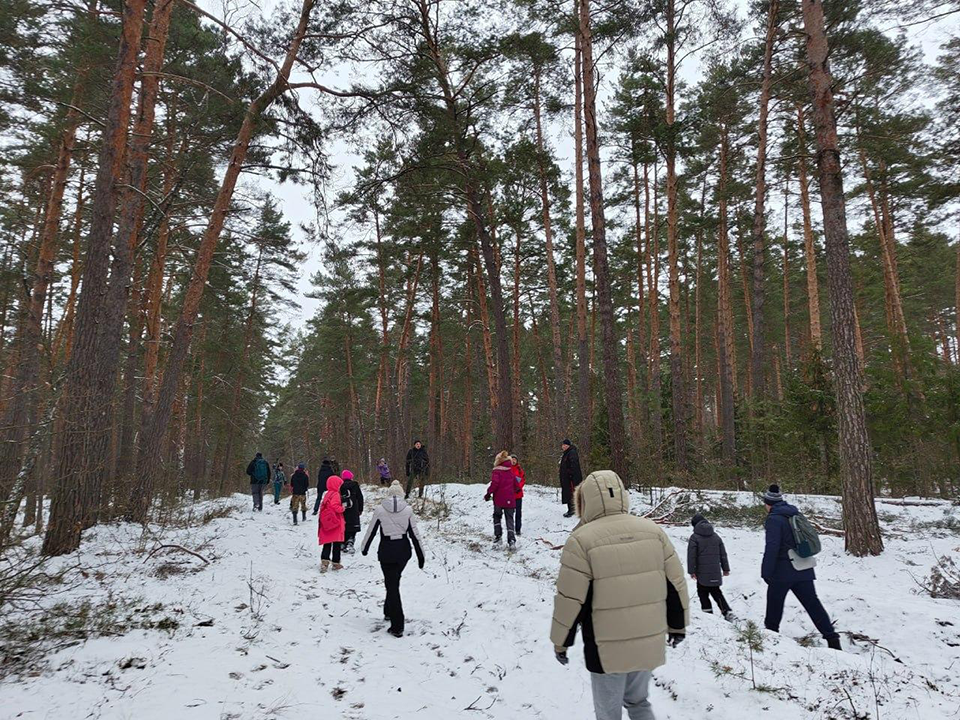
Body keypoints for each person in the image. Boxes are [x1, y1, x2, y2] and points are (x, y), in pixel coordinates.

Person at [551, 470, 689, 720]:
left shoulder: (581, 540)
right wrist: (678, 627)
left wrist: (562, 641)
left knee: (608, 712)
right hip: (648, 639)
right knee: (638, 702)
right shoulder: (653, 531)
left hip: (606, 648)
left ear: (585, 501)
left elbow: (571, 599)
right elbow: (675, 584)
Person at [761, 484, 841, 650]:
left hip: (782, 572)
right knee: (813, 604)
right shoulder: (795, 513)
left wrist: (766, 572)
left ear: (768, 504)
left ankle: (770, 637)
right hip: (803, 568)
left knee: (774, 604)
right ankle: (832, 639)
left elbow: (772, 547)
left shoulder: (774, 520)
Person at [361, 480, 425, 638]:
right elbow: (415, 534)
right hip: (403, 551)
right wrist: (420, 555)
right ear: (402, 494)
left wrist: (364, 548)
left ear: (388, 494)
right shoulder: (408, 510)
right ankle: (388, 611)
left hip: (387, 552)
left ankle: (397, 626)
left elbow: (371, 531)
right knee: (393, 581)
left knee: (392, 585)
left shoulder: (380, 510)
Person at [687, 513, 732, 618]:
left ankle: (708, 615)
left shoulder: (694, 537)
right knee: (716, 591)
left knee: (702, 593)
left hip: (702, 572)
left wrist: (691, 571)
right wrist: (726, 569)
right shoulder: (716, 536)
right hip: (715, 571)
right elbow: (723, 554)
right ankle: (726, 611)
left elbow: (691, 556)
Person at [484, 450, 519, 548]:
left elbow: (494, 484)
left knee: (497, 516)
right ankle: (511, 540)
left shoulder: (496, 471)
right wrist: (514, 491)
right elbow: (516, 485)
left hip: (499, 499)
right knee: (510, 519)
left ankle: (498, 536)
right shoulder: (510, 470)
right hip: (510, 499)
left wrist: (488, 493)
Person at [318, 475, 345, 572]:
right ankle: (335, 562)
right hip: (335, 522)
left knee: (327, 543)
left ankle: (324, 562)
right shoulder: (336, 495)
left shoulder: (327, 494)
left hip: (326, 523)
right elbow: (334, 506)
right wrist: (342, 508)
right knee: (337, 543)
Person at [340, 469, 364, 554]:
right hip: (354, 509)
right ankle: (350, 541)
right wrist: (360, 509)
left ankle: (342, 543)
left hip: (343, 509)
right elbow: (360, 498)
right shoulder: (355, 485)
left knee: (344, 526)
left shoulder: (340, 485)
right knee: (353, 526)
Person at [559, 439, 583, 518]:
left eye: (565, 445)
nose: (564, 446)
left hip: (571, 479)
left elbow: (574, 465)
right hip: (567, 479)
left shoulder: (572, 452)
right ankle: (572, 509)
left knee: (571, 494)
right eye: (563, 445)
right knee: (568, 493)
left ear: (568, 446)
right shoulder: (566, 453)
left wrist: (570, 474)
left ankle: (573, 510)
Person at [510, 454, 526, 537]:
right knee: (510, 513)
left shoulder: (519, 470)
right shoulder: (507, 469)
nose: (513, 461)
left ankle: (518, 529)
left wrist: (518, 487)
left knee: (518, 513)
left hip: (518, 495)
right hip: (509, 495)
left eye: (514, 459)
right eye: (512, 459)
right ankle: (511, 529)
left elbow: (523, 480)